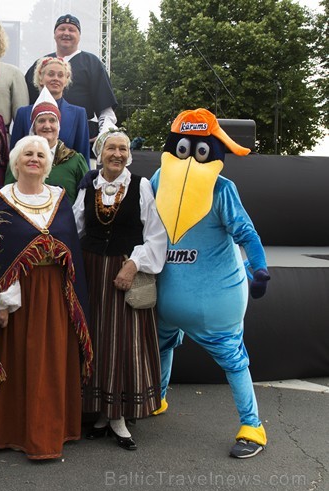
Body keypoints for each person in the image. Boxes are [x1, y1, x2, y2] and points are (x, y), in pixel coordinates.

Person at [150, 108, 270, 459]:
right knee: (161, 343)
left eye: (200, 149)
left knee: (234, 359)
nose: (190, 156)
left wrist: (260, 270)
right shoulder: (160, 179)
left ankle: (253, 425)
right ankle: (157, 396)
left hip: (215, 301)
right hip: (168, 296)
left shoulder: (222, 189)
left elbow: (246, 233)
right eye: (184, 147)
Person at [0, 135, 92, 460]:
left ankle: (49, 432)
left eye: (41, 155)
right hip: (17, 297)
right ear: (16, 162)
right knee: (18, 362)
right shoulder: (2, 199)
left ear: (48, 164)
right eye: (28, 153)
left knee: (51, 361)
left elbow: (72, 249)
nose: (34, 159)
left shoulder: (60, 198)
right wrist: (1, 300)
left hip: (54, 292)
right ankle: (15, 432)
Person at [73, 129, 167, 450]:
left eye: (123, 149)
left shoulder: (140, 186)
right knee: (96, 336)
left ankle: (118, 416)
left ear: (129, 154)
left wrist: (134, 264)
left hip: (124, 268)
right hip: (92, 271)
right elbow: (76, 228)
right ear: (100, 153)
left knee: (122, 340)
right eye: (111, 148)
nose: (117, 154)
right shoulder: (89, 186)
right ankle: (101, 412)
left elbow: (155, 233)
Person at [24, 14, 117, 138]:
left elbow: (105, 108)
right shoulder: (41, 64)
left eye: (71, 30)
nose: (66, 33)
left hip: (81, 133)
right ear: (55, 34)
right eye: (62, 29)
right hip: (43, 135)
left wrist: (104, 135)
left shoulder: (91, 63)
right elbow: (26, 103)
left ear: (79, 36)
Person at [5, 88, 88, 202]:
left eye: (52, 120)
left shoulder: (75, 161)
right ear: (34, 126)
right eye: (41, 121)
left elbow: (85, 199)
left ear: (58, 126)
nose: (47, 126)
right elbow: (8, 195)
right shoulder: (19, 159)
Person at [12, 57, 90, 163]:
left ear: (66, 80)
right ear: (40, 78)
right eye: (51, 74)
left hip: (65, 177)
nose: (55, 78)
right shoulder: (23, 113)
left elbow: (83, 157)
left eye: (60, 75)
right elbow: (15, 154)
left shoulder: (78, 114)